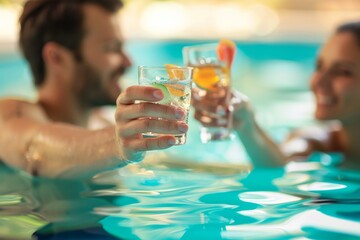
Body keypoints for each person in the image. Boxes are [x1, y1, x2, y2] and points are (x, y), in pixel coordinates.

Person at [0, 0, 188, 178]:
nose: (127, 62)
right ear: (57, 58)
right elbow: (35, 151)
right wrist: (117, 144)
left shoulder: (106, 125)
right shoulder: (7, 117)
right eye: (111, 48)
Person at [193, 21, 360, 169]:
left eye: (343, 72)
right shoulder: (319, 140)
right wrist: (246, 122)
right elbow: (281, 160)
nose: (319, 81)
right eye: (319, 66)